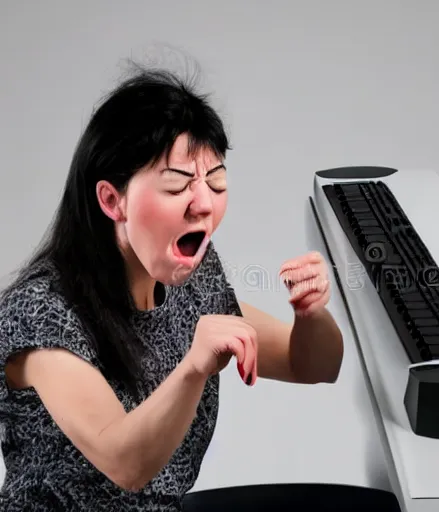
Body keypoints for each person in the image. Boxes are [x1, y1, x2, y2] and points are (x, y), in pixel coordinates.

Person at [0, 65, 344, 511]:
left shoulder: (191, 278)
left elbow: (312, 365)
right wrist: (193, 367)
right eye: (177, 184)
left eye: (216, 181)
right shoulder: (41, 313)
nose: (204, 203)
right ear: (111, 200)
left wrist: (310, 314)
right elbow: (126, 464)